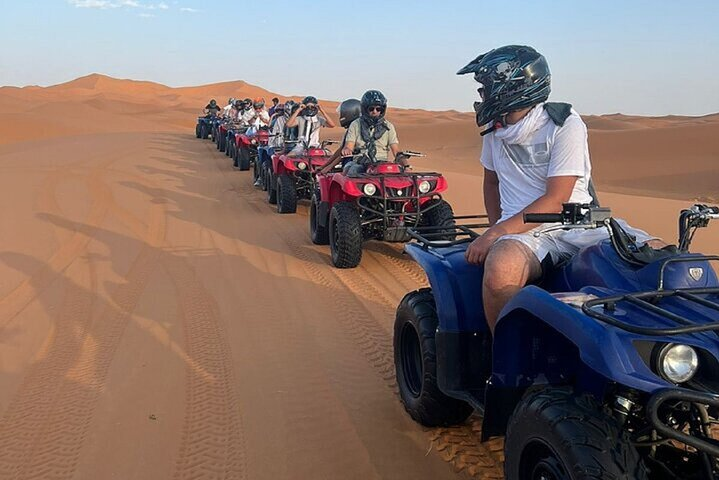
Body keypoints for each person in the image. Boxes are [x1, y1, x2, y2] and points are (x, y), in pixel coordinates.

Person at [456, 45, 662, 333]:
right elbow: (491, 182)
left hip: (578, 224)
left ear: (513, 87)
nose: (482, 97)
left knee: (662, 259)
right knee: (500, 271)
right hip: (526, 232)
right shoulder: (495, 130)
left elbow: (556, 199)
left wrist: (495, 233)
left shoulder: (563, 124)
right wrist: (499, 229)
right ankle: (507, 364)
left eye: (486, 89)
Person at [340, 90, 403, 176]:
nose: (375, 111)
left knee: (399, 174)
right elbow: (349, 145)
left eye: (378, 109)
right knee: (352, 170)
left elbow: (396, 150)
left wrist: (405, 163)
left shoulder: (388, 126)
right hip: (360, 162)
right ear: (365, 109)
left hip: (381, 163)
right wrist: (347, 149)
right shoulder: (356, 124)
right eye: (371, 108)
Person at [318, 98, 362, 174]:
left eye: (342, 113)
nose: (341, 116)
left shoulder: (358, 131)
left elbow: (345, 154)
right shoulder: (350, 130)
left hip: (354, 168)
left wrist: (328, 167)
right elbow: (340, 151)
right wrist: (324, 166)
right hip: (348, 166)